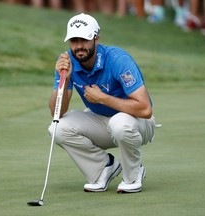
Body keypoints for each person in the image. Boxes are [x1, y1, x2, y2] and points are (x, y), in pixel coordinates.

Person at [48, 13, 158, 193]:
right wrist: (65, 80)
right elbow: (56, 113)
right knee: (56, 128)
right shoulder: (66, 62)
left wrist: (102, 98)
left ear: (96, 39)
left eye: (84, 39)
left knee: (119, 123)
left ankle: (134, 174)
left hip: (138, 122)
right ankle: (102, 169)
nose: (79, 46)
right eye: (74, 41)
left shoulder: (118, 59)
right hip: (101, 121)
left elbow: (145, 109)